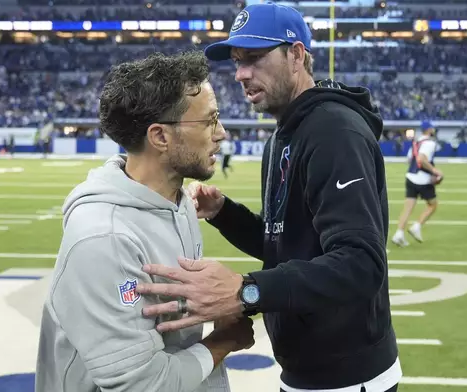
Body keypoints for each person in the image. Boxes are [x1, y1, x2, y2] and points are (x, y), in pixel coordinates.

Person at [135, 3, 401, 392]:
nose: (241, 74)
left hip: (349, 377)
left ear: (296, 55)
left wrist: (246, 291)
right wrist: (226, 213)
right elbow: (285, 243)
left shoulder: (333, 132)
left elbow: (361, 264)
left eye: (255, 58)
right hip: (304, 371)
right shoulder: (282, 135)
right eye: (238, 62)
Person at [35, 51, 255, 392]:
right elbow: (140, 384)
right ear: (160, 137)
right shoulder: (103, 237)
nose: (222, 133)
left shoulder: (179, 203)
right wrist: (224, 341)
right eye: (209, 121)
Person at [391, 120, 442, 246]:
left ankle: (399, 234)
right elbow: (421, 159)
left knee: (407, 208)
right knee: (432, 205)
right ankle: (417, 226)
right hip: (423, 179)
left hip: (410, 176)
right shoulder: (429, 143)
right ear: (429, 130)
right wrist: (435, 171)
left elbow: (410, 159)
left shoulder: (416, 141)